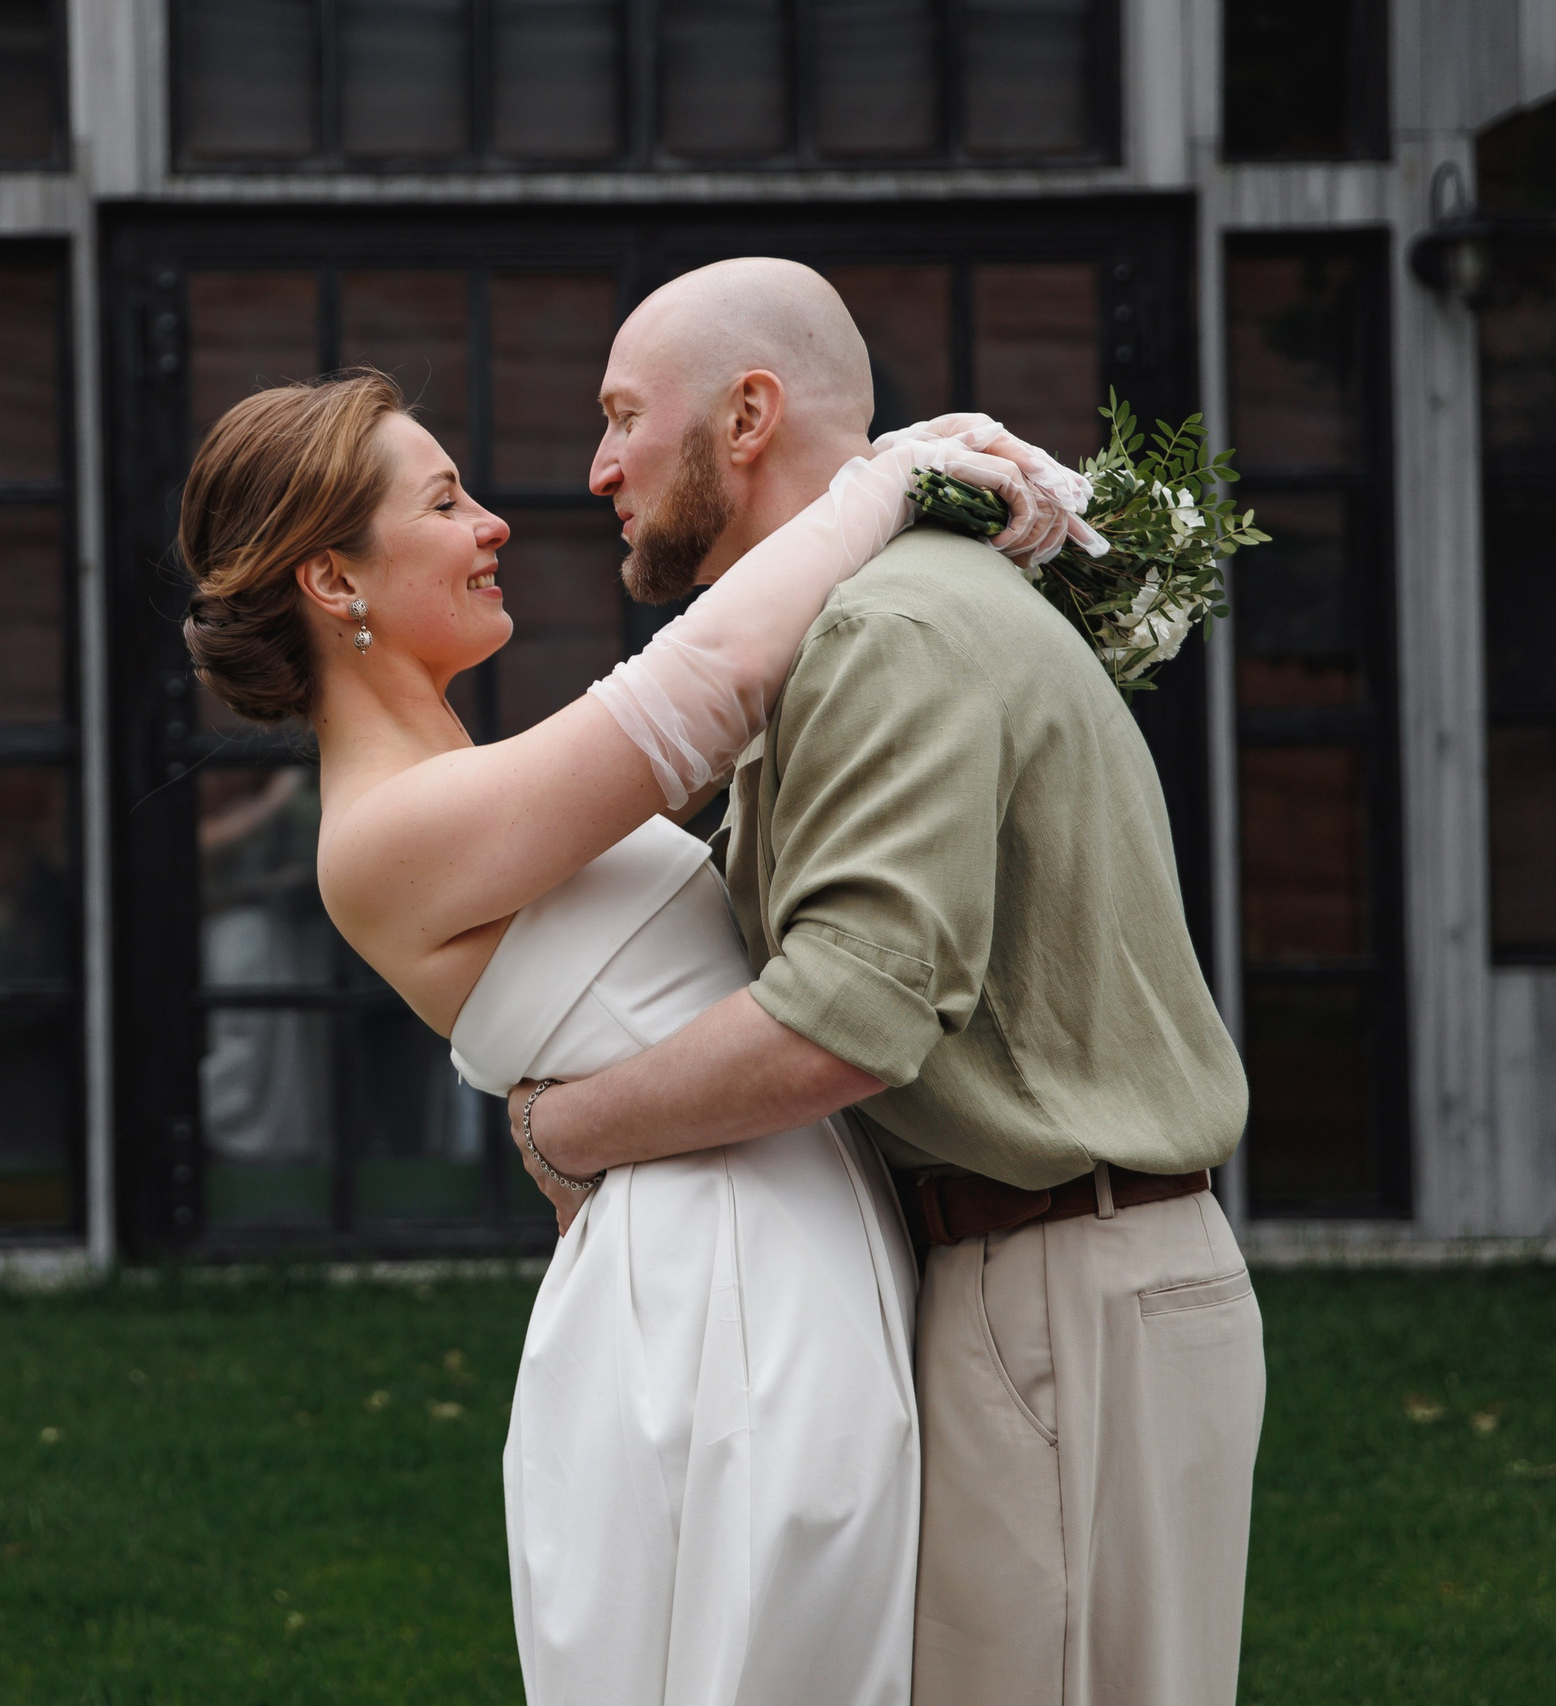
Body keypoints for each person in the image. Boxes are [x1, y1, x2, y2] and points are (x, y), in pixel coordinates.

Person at [177, 291, 1083, 1704]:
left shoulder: (465, 784)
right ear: (333, 582)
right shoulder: (377, 834)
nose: (496, 526)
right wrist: (891, 478)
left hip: (769, 1259)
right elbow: (705, 682)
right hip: (711, 1304)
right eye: (445, 500)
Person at [506, 258, 1265, 1706]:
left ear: (747, 416)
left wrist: (564, 1130)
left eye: (620, 417)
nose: (595, 466)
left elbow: (849, 1016)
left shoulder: (888, 632)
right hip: (1050, 1279)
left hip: (1053, 1286)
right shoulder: (873, 616)